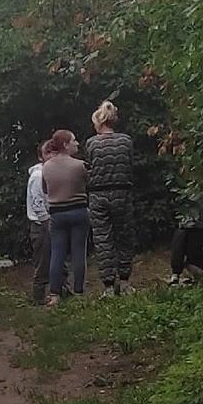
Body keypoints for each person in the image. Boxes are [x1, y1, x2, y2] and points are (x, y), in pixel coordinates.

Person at [83, 100, 136, 297]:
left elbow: (89, 167)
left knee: (103, 239)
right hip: (122, 192)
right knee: (124, 236)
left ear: (98, 122)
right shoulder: (126, 141)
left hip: (98, 195)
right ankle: (124, 282)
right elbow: (130, 165)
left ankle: (107, 286)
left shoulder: (91, 143)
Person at [41, 129, 89, 306]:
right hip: (78, 211)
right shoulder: (79, 165)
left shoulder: (47, 167)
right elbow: (87, 182)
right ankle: (78, 291)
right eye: (74, 141)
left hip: (57, 213)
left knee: (57, 253)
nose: (77, 144)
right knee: (78, 252)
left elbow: (45, 189)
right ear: (65, 144)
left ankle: (54, 294)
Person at [26, 142, 53, 304]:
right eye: (47, 152)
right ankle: (38, 298)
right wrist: (47, 222)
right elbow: (37, 203)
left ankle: (63, 291)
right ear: (40, 157)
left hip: (53, 221)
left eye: (54, 152)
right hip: (41, 225)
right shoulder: (37, 176)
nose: (51, 156)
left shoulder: (54, 173)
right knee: (42, 262)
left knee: (60, 260)